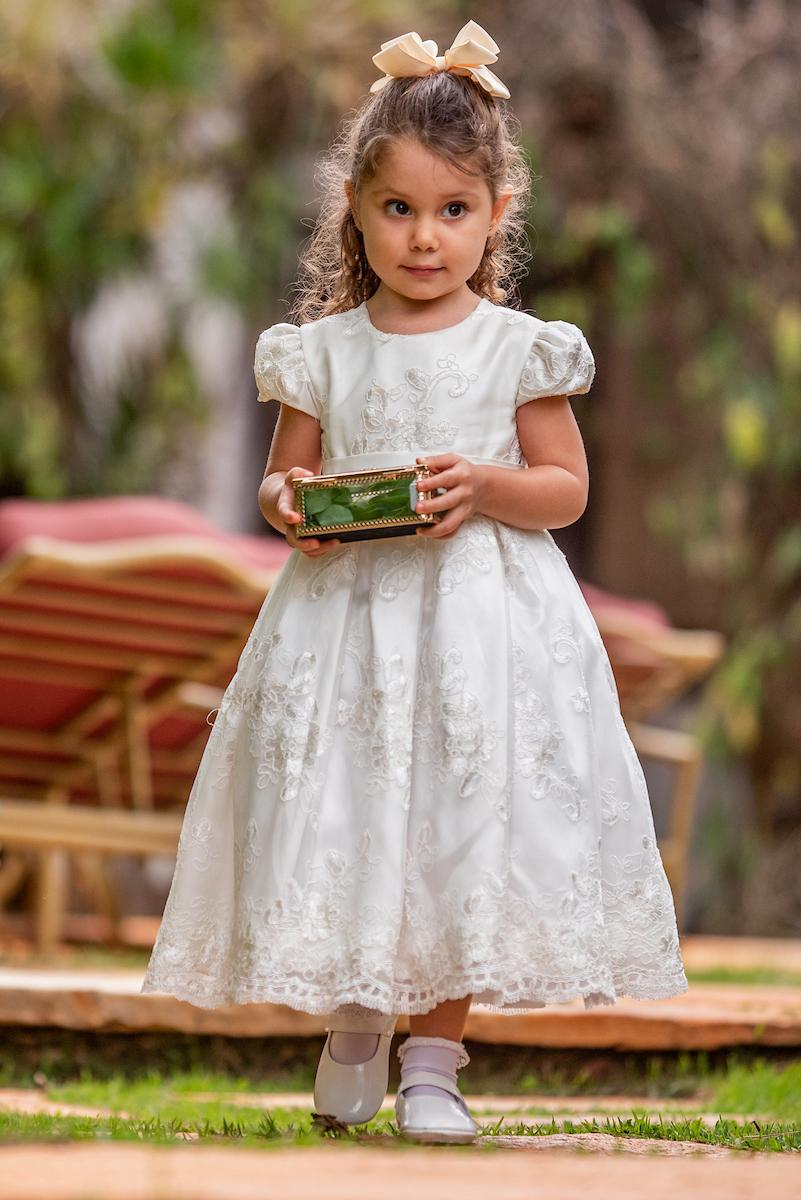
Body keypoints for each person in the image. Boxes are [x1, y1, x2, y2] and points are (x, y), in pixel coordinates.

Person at [141, 20, 688, 1144]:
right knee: (353, 811)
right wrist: (291, 506)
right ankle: (354, 1023)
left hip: (479, 634)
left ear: (495, 215)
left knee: (460, 825)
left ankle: (435, 1059)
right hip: (349, 629)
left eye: (452, 211)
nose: (425, 238)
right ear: (356, 208)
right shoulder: (323, 350)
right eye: (399, 209)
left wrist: (486, 484)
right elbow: (285, 478)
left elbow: (565, 489)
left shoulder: (516, 348)